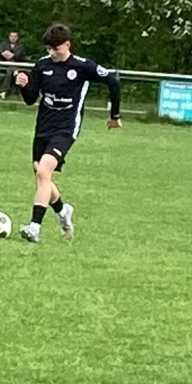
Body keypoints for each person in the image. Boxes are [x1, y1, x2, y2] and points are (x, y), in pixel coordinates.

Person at [14, 23, 121, 243]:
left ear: (67, 45)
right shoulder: (42, 66)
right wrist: (23, 85)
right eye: (48, 49)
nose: (52, 53)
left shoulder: (82, 66)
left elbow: (113, 80)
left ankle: (34, 227)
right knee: (41, 174)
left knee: (43, 171)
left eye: (56, 48)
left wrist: (115, 115)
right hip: (43, 127)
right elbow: (30, 99)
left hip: (66, 128)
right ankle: (63, 211)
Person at [0, 29, 28, 98]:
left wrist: (8, 55)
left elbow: (17, 56)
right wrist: (11, 56)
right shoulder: (3, 44)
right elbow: (0, 53)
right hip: (3, 66)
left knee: (10, 71)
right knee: (11, 70)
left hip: (17, 66)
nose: (13, 38)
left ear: (17, 37)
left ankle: (4, 91)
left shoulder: (21, 46)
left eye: (15, 36)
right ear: (9, 37)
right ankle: (13, 89)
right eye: (11, 36)